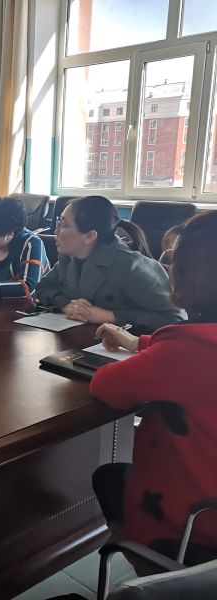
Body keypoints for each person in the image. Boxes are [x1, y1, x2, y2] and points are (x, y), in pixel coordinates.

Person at [89, 211, 217, 567]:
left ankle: (157, 570)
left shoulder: (184, 351)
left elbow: (106, 385)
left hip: (194, 527)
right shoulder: (187, 350)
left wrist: (157, 351)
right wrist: (142, 344)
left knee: (109, 478)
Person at [35, 195, 184, 332]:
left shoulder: (129, 266)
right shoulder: (69, 256)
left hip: (126, 345)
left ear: (89, 236)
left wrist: (111, 316)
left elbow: (177, 318)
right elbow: (43, 287)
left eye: (63, 224)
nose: (56, 231)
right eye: (59, 221)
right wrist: (67, 306)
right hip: (83, 337)